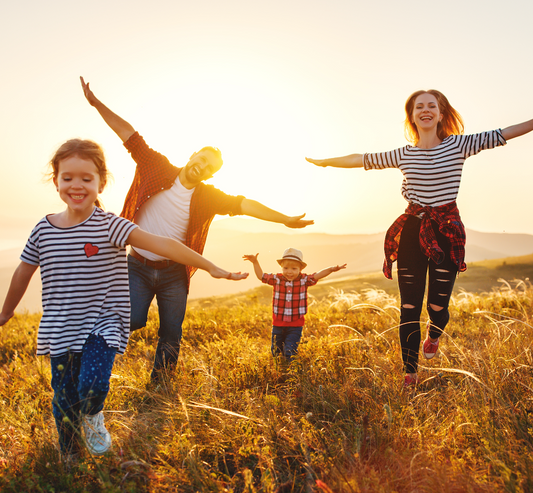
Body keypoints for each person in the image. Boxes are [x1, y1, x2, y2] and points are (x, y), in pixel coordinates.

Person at [0, 139, 247, 461]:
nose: (77, 185)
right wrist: (6, 312)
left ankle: (93, 416)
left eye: (87, 179)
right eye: (68, 177)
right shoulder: (43, 230)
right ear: (56, 179)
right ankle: (69, 456)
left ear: (101, 181)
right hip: (59, 329)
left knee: (91, 386)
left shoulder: (110, 225)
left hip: (102, 325)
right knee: (63, 399)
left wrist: (211, 266)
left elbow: (164, 245)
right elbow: (23, 271)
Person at [80, 77, 314, 383]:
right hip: (136, 265)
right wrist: (97, 104)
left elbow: (245, 204)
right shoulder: (156, 167)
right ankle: (86, 345)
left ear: (210, 174)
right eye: (200, 160)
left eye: (208, 168)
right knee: (133, 318)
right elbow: (129, 135)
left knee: (171, 331)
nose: (201, 168)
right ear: (192, 156)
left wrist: (284, 219)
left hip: (174, 272)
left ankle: (160, 385)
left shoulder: (207, 197)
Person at [306, 90, 533, 387]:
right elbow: (361, 158)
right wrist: (325, 162)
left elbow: (504, 133)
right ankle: (409, 373)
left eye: (431, 106)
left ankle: (434, 334)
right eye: (418, 107)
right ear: (412, 116)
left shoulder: (459, 144)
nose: (425, 110)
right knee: (409, 307)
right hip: (413, 231)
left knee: (437, 307)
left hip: (446, 230)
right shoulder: (403, 154)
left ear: (441, 114)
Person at [244, 248, 346, 363]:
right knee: (276, 351)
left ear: (300, 269)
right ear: (281, 267)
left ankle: (291, 371)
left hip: (296, 325)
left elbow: (317, 275)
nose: (289, 272)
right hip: (278, 323)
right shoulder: (277, 279)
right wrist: (255, 262)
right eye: (286, 268)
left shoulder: (304, 280)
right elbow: (261, 276)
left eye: (294, 268)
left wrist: (331, 269)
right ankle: (280, 370)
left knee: (290, 350)